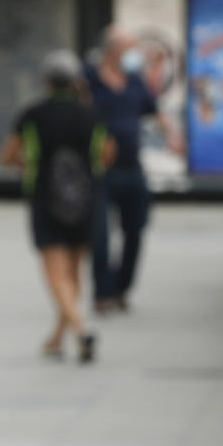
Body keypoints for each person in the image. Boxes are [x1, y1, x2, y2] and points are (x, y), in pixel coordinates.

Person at [0, 50, 113, 362]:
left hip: (44, 196)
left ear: (46, 81)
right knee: (74, 270)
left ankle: (81, 328)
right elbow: (106, 154)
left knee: (55, 270)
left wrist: (29, 163)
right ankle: (59, 337)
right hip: (86, 198)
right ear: (77, 80)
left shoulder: (33, 114)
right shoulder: (92, 114)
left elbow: (8, 155)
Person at [84, 25, 184, 313]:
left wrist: (173, 136)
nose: (135, 54)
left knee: (135, 231)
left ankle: (121, 289)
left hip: (132, 166)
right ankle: (101, 293)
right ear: (113, 50)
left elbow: (154, 110)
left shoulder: (134, 81)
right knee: (100, 235)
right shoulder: (90, 78)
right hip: (100, 169)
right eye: (130, 48)